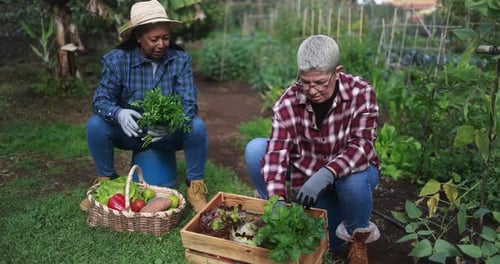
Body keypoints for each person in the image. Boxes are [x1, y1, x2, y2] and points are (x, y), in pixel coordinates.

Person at [244, 35, 380, 263]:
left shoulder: (361, 93)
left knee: (352, 184)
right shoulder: (289, 101)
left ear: (337, 72)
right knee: (256, 150)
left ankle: (357, 240)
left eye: (320, 82)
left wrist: (327, 173)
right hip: (307, 172)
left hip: (348, 174)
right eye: (305, 82)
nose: (312, 90)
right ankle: (276, 214)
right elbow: (276, 154)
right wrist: (276, 198)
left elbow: (362, 147)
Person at [80, 0, 208, 213]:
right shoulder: (117, 61)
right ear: (138, 37)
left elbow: (189, 104)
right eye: (154, 39)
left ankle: (195, 187)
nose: (162, 44)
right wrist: (118, 113)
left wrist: (170, 125)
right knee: (96, 125)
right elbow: (100, 100)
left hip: (166, 135)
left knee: (197, 126)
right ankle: (106, 182)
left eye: (166, 38)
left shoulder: (180, 60)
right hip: (130, 132)